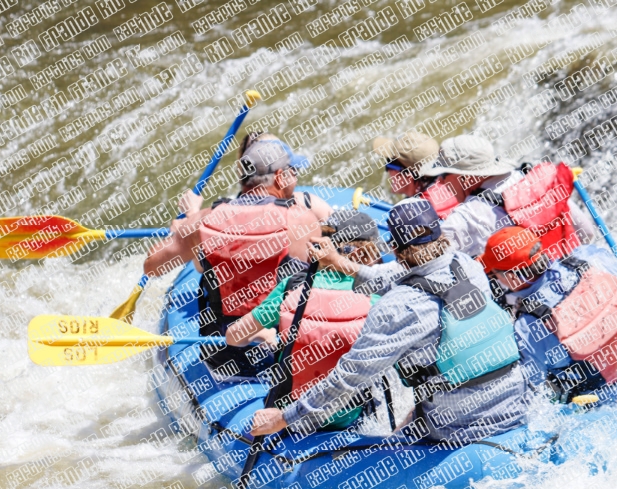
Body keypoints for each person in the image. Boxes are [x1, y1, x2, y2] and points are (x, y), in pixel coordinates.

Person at [250, 198, 531, 445]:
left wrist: (285, 417)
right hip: (515, 402)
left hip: (458, 427)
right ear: (439, 234)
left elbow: (348, 379)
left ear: (394, 248)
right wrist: (341, 263)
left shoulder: (397, 308)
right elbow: (411, 275)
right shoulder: (465, 265)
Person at [143, 140, 327, 331]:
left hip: (221, 351)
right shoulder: (302, 220)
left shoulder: (204, 220)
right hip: (279, 348)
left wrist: (185, 230)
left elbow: (151, 267)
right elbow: (318, 283)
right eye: (293, 173)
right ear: (280, 177)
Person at [225, 210, 384, 429]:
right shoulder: (377, 297)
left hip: (286, 417)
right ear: (368, 253)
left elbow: (233, 337)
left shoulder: (292, 286)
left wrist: (267, 334)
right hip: (349, 418)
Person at [478, 226, 617, 406]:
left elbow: (535, 389)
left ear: (512, 277)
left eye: (494, 274)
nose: (495, 280)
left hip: (610, 403)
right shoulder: (590, 257)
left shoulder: (527, 325)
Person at [419, 136, 596, 258]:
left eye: (442, 175)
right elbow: (587, 231)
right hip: (577, 268)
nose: (440, 183)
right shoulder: (533, 178)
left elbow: (425, 263)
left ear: (464, 177)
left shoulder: (466, 217)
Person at [371, 131, 457, 218]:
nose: (387, 171)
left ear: (408, 175)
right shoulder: (455, 185)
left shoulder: (415, 215)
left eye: (389, 163)